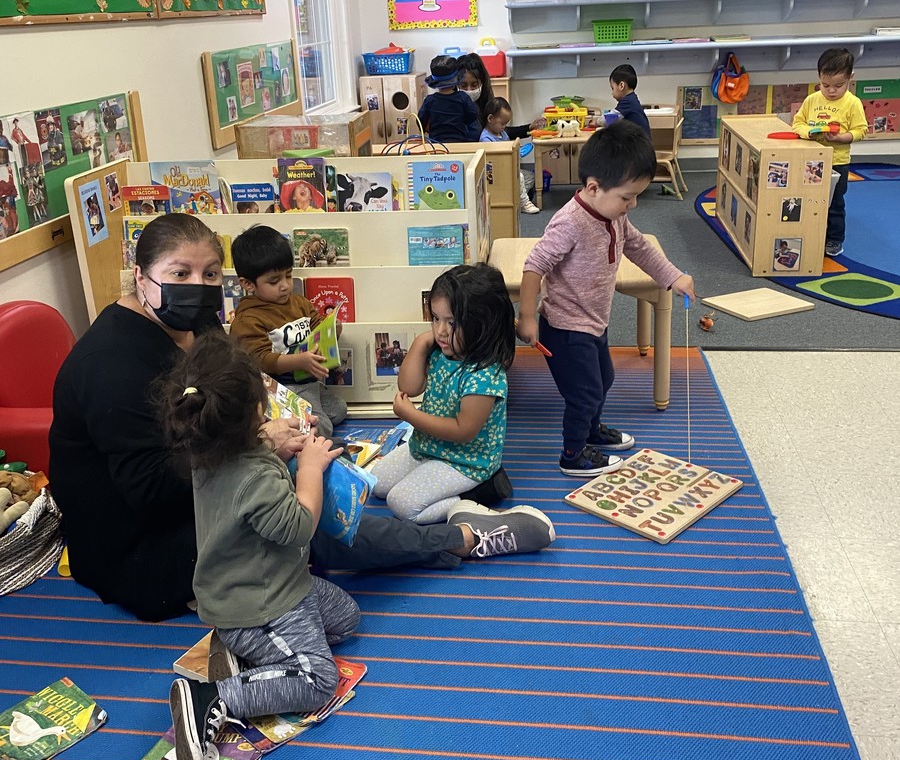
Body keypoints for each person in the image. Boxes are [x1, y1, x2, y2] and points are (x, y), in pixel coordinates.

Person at [50, 214, 556, 623]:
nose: (198, 287)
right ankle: (465, 539)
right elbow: (148, 490)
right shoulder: (111, 365)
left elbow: (236, 379)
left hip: (203, 488)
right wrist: (257, 444)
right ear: (141, 277)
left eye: (208, 274)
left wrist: (279, 419)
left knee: (307, 473)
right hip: (144, 547)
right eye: (179, 274)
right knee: (301, 522)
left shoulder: (191, 320)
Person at [157, 331, 360, 760]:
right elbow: (298, 526)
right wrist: (309, 470)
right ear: (255, 413)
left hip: (270, 587)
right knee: (318, 681)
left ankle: (238, 652)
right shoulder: (256, 478)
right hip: (263, 605)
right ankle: (211, 697)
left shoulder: (208, 452)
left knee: (346, 618)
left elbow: (245, 470)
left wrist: (271, 445)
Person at [516, 122, 696, 477]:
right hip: (565, 328)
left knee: (604, 380)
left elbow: (639, 247)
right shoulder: (570, 223)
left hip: (595, 320)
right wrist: (527, 317)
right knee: (583, 394)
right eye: (627, 197)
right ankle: (573, 454)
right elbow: (534, 265)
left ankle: (591, 432)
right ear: (594, 187)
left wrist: (672, 276)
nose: (632, 205)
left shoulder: (614, 217)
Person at [374, 265, 554, 542]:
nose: (441, 331)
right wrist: (423, 342)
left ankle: (478, 493)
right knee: (377, 483)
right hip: (426, 447)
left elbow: (462, 430)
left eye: (452, 323)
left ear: (482, 324)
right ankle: (440, 485)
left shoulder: (485, 374)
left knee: (401, 505)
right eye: (435, 319)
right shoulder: (442, 350)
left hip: (464, 461)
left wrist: (411, 416)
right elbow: (409, 387)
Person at [229, 225, 347, 438]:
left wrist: (333, 329)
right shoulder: (248, 319)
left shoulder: (299, 303)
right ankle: (279, 423)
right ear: (248, 284)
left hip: (306, 381)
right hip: (278, 390)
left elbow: (318, 326)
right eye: (274, 281)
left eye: (288, 276)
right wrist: (299, 361)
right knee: (322, 428)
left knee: (339, 410)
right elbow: (261, 359)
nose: (285, 286)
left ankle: (296, 421)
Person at [791, 47, 868, 257]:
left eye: (838, 85)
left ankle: (834, 239)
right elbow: (797, 124)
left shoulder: (853, 103)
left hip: (837, 162)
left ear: (850, 78)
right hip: (811, 161)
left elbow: (861, 130)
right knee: (809, 200)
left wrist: (841, 137)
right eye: (825, 85)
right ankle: (810, 234)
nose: (831, 91)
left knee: (834, 203)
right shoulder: (812, 100)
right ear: (819, 78)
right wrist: (809, 132)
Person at [458, 53, 541, 214]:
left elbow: (502, 131)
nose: (469, 90)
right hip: (470, 165)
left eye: (474, 85)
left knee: (526, 177)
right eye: (464, 85)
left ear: (481, 82)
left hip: (493, 165)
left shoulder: (487, 105)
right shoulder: (456, 108)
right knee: (517, 181)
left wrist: (528, 128)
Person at [417, 54, 480, 143]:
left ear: (435, 82)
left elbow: (420, 119)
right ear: (456, 81)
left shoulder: (430, 100)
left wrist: (425, 128)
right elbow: (473, 115)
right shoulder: (463, 98)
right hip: (460, 143)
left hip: (437, 145)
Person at [609, 64, 651, 136]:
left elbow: (609, 119)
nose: (611, 93)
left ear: (621, 86)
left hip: (639, 145)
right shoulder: (632, 99)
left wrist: (595, 122)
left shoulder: (628, 102)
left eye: (612, 88)